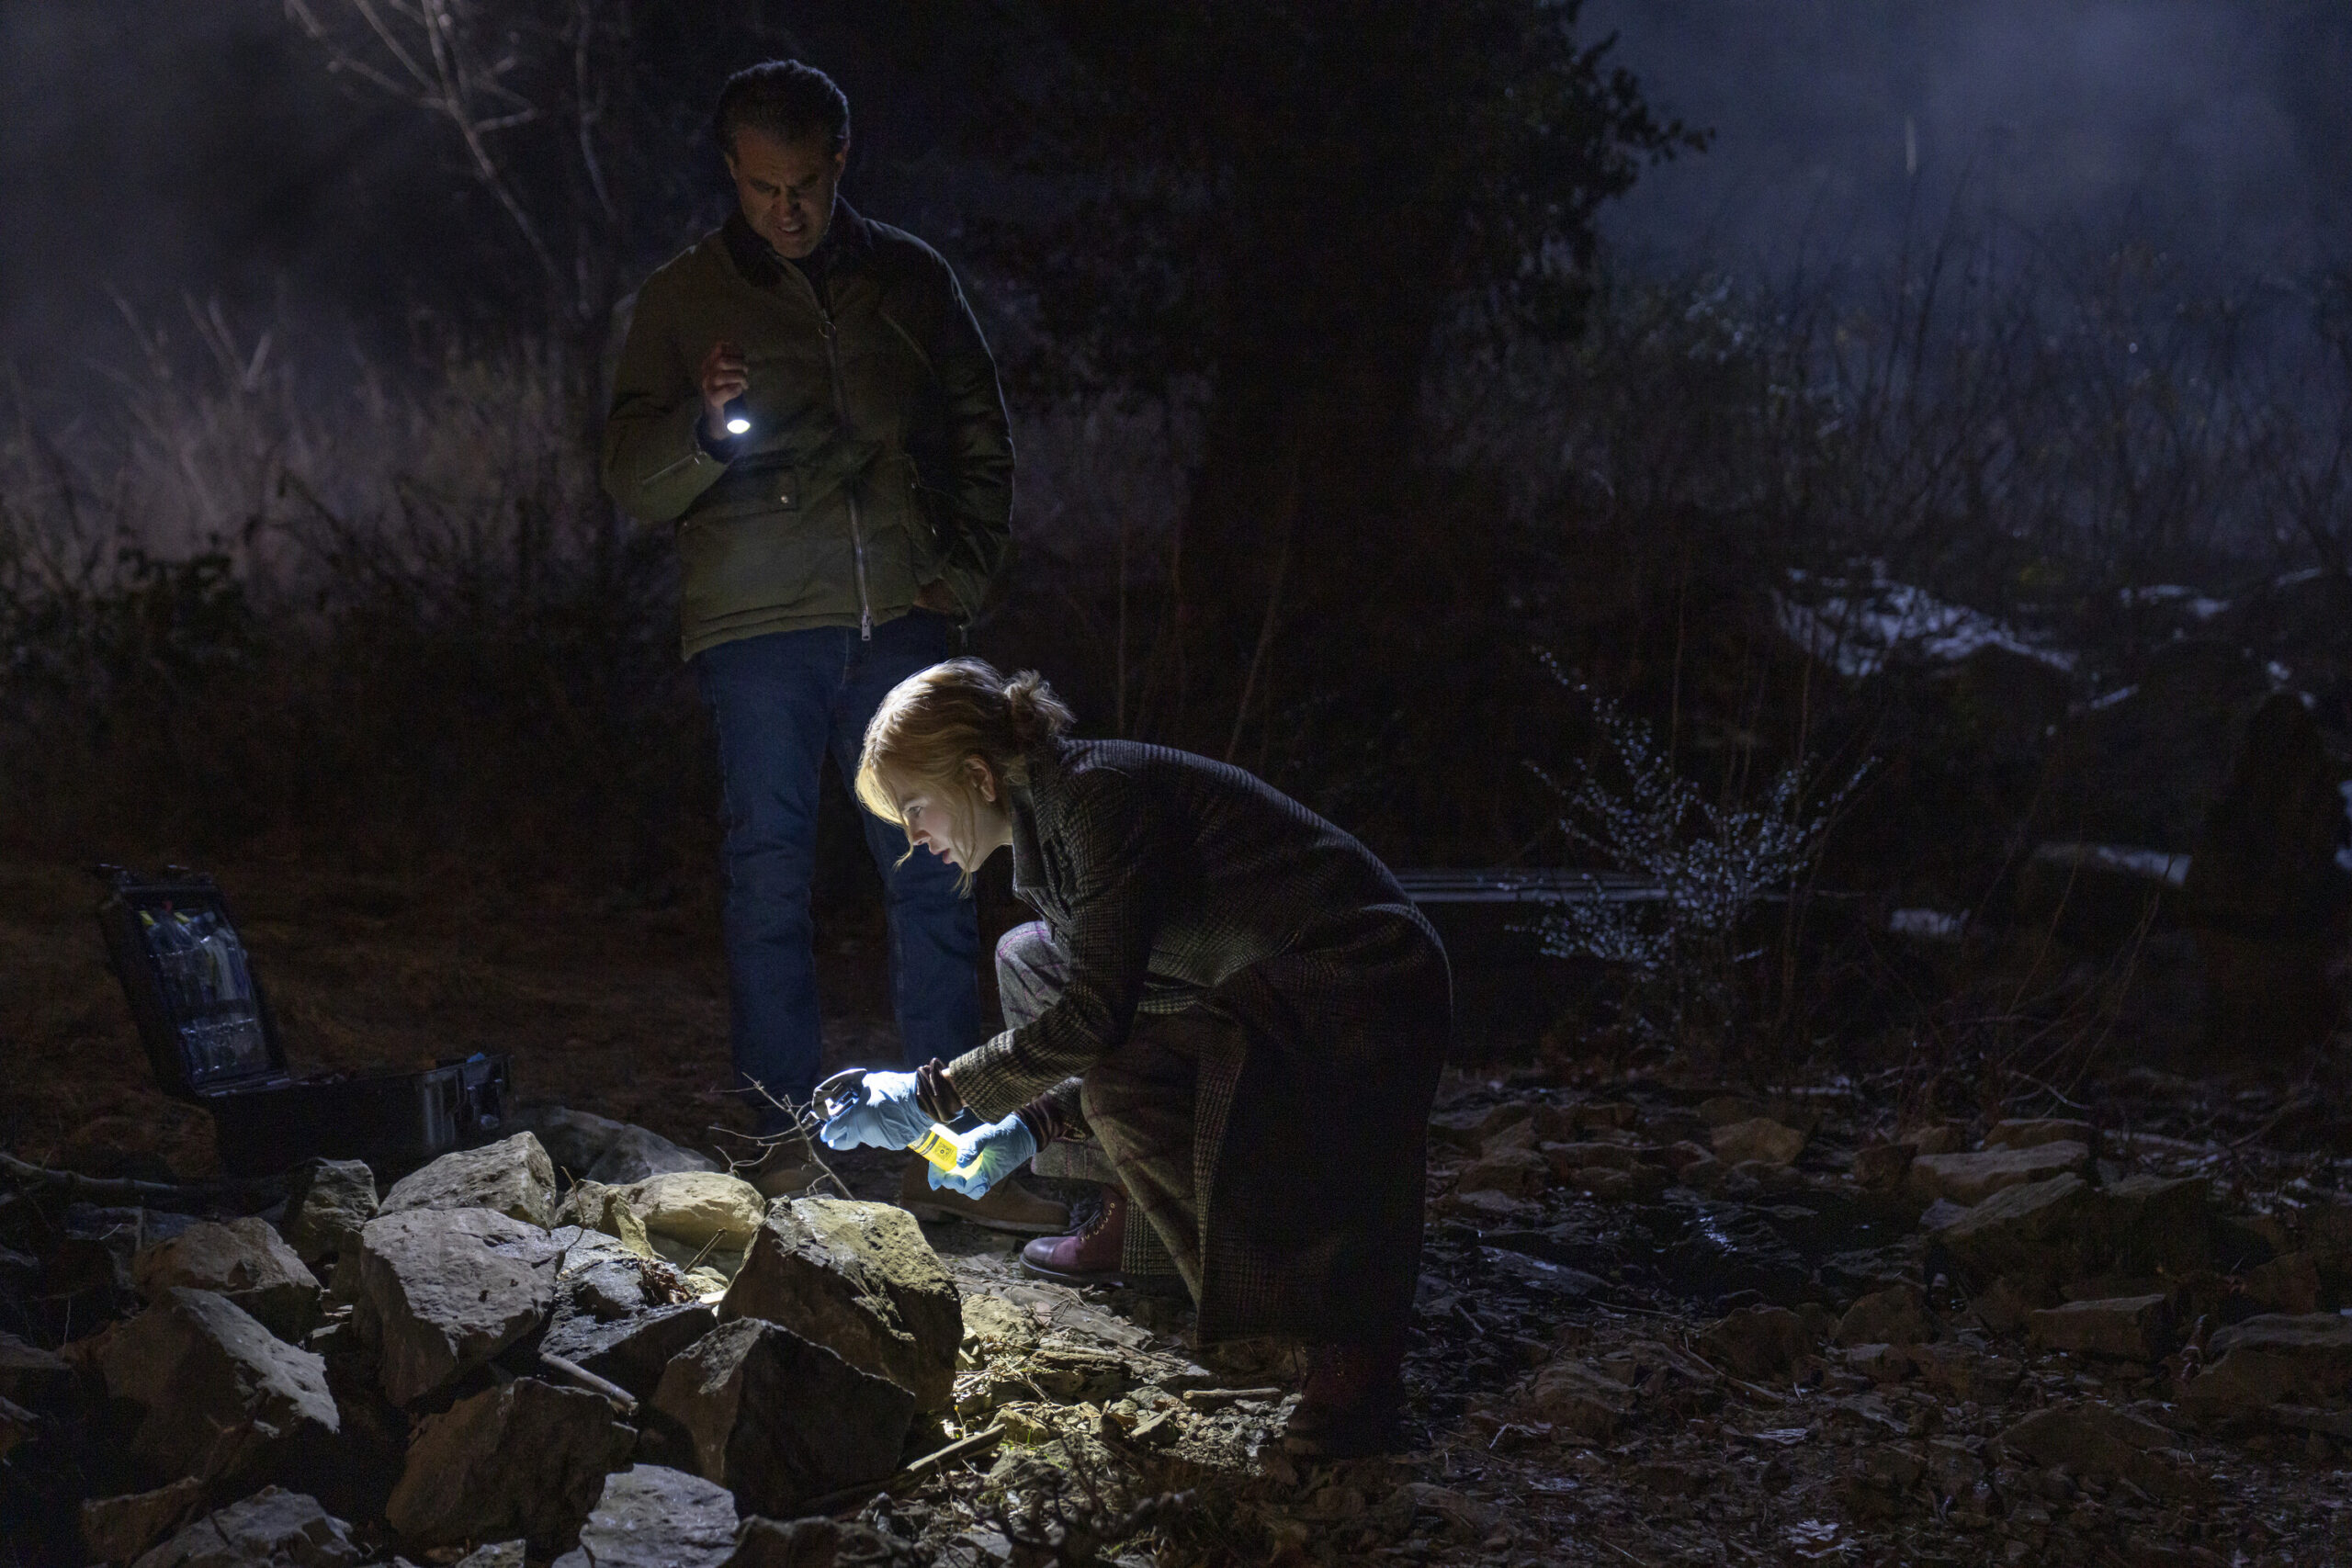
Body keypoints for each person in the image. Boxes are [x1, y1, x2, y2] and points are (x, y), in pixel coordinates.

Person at [602, 61, 1062, 1234]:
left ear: (840, 160)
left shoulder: (906, 278)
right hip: (759, 630)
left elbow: (980, 433)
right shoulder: (684, 298)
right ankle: (777, 1146)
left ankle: (949, 1158)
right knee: (768, 875)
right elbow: (631, 480)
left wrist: (960, 575)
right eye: (763, 188)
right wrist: (706, 431)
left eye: (804, 183)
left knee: (935, 878)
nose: (787, 210)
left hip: (900, 621)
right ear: (731, 172)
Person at [820, 660, 1451, 1457]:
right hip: (1251, 982)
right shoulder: (1052, 822)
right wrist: (1025, 1129)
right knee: (1031, 956)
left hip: (1357, 982)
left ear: (977, 776)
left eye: (915, 808)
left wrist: (934, 1094)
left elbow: (1096, 1019)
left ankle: (1343, 1340)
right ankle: (1139, 1228)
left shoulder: (1097, 799)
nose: (914, 837)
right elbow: (1120, 1005)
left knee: (1122, 1082)